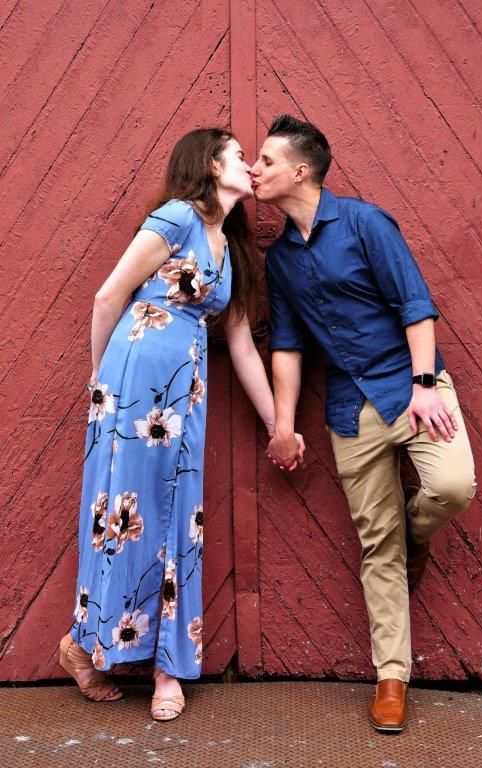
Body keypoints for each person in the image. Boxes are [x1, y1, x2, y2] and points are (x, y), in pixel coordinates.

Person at [60, 128, 302, 721]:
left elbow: (243, 348)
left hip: (184, 398)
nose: (249, 164)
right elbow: (107, 296)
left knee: (175, 518)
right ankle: (84, 646)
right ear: (208, 164)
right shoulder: (175, 218)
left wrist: (279, 425)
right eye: (239, 154)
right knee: (121, 515)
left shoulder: (234, 252)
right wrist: (102, 385)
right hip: (132, 386)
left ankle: (168, 665)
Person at [251, 115, 476, 732]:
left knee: (453, 487)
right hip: (349, 407)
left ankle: (417, 531)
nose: (255, 170)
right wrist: (282, 424)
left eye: (266, 160)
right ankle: (392, 679)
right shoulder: (279, 262)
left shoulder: (365, 222)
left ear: (301, 170)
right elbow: (290, 346)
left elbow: (415, 304)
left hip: (412, 387)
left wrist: (426, 386)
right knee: (378, 547)